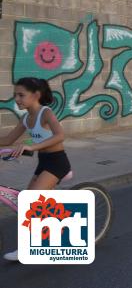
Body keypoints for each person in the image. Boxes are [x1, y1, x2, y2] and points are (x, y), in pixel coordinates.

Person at [0, 77, 70, 261]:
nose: (17, 99)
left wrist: (32, 147)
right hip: (44, 162)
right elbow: (8, 140)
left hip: (57, 162)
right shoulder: (26, 118)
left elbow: (60, 135)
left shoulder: (45, 113)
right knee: (26, 203)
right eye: (15, 95)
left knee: (31, 202)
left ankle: (27, 249)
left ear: (36, 95)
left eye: (21, 95)